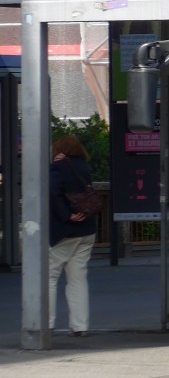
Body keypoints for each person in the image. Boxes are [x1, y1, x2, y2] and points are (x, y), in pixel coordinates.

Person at [48, 134, 98, 336]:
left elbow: (52, 192)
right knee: (77, 279)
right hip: (87, 231)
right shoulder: (84, 167)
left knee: (49, 277)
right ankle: (80, 326)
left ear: (60, 150)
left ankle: (46, 324)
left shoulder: (58, 167)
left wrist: (67, 215)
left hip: (65, 231)